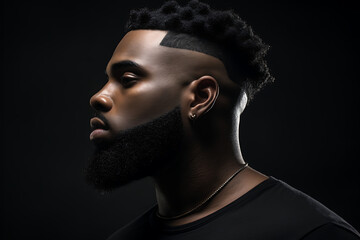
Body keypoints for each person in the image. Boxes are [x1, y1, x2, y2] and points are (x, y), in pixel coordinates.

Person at [86, 0, 360, 239]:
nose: (98, 97)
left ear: (201, 97)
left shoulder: (311, 232)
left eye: (127, 80)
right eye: (107, 80)